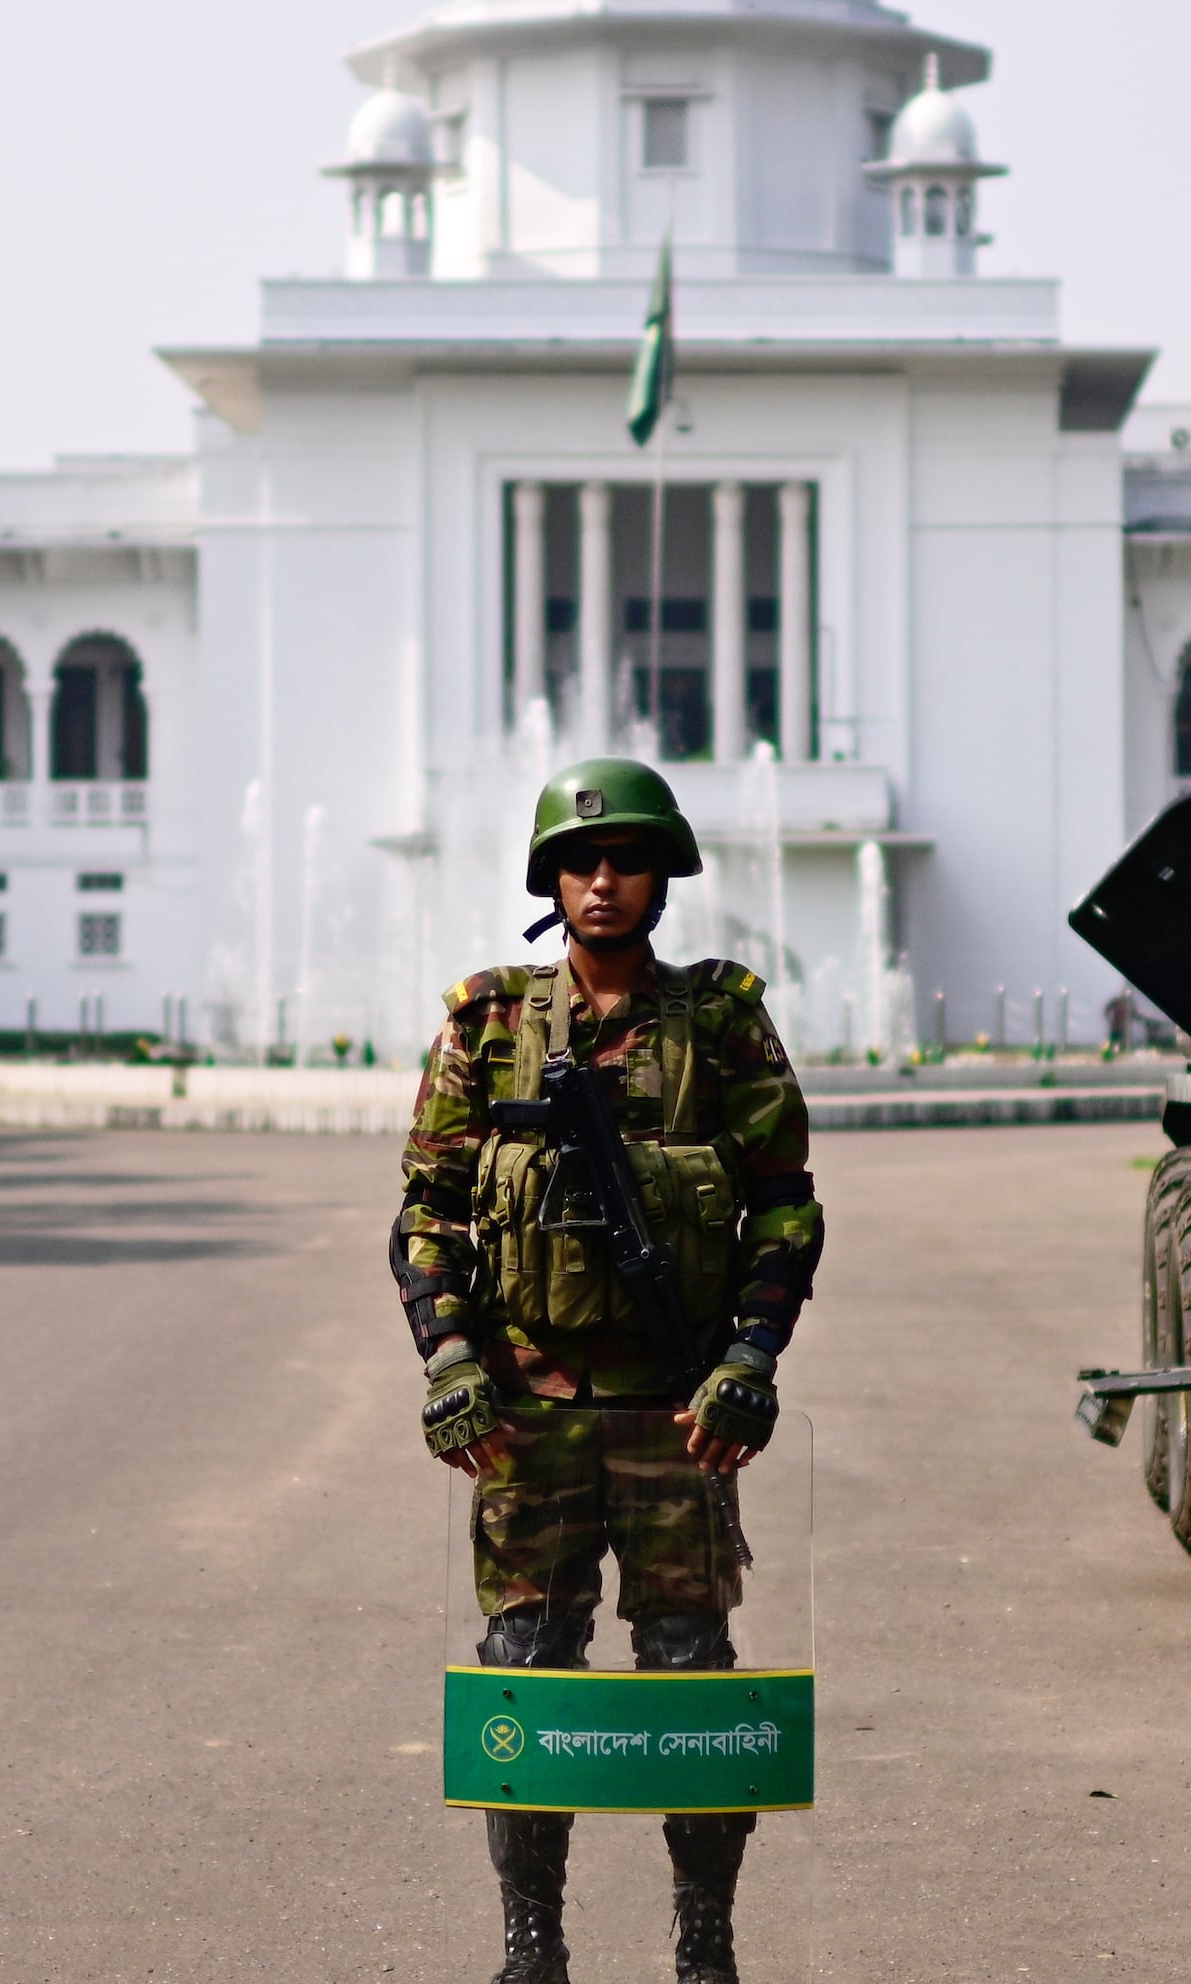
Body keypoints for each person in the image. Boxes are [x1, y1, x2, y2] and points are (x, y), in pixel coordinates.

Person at [393, 758, 826, 1984]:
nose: (601, 879)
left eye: (625, 859)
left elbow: (786, 1210)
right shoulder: (487, 1023)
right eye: (580, 862)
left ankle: (706, 1939)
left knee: (691, 1681)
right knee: (526, 1677)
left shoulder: (724, 1020)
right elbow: (427, 1213)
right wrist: (452, 1366)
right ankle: (533, 1943)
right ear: (550, 880)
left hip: (676, 1418)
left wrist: (750, 1360)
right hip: (527, 1420)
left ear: (662, 875)